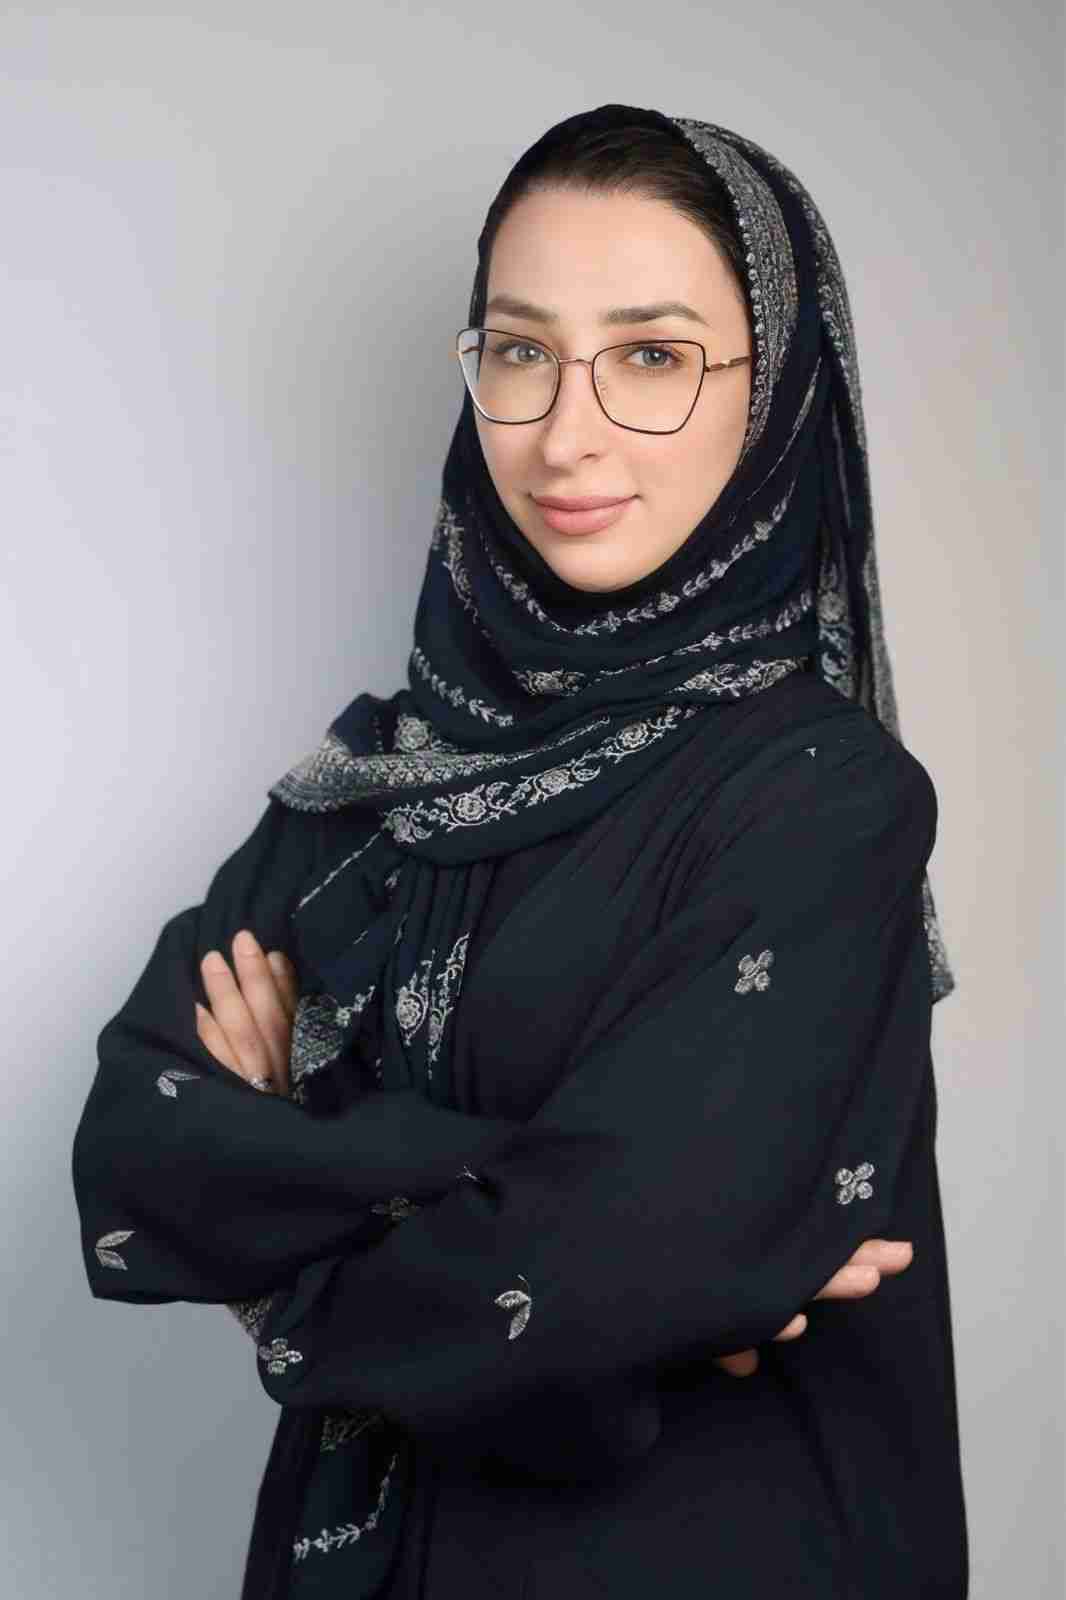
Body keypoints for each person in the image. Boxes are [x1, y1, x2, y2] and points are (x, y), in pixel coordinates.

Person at [71, 103, 969, 1598]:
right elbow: (138, 1146)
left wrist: (301, 1175)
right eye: (518, 350)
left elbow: (610, 1272)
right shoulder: (384, 778)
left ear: (778, 390)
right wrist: (618, 1233)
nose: (564, 433)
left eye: (654, 357)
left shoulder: (821, 800)